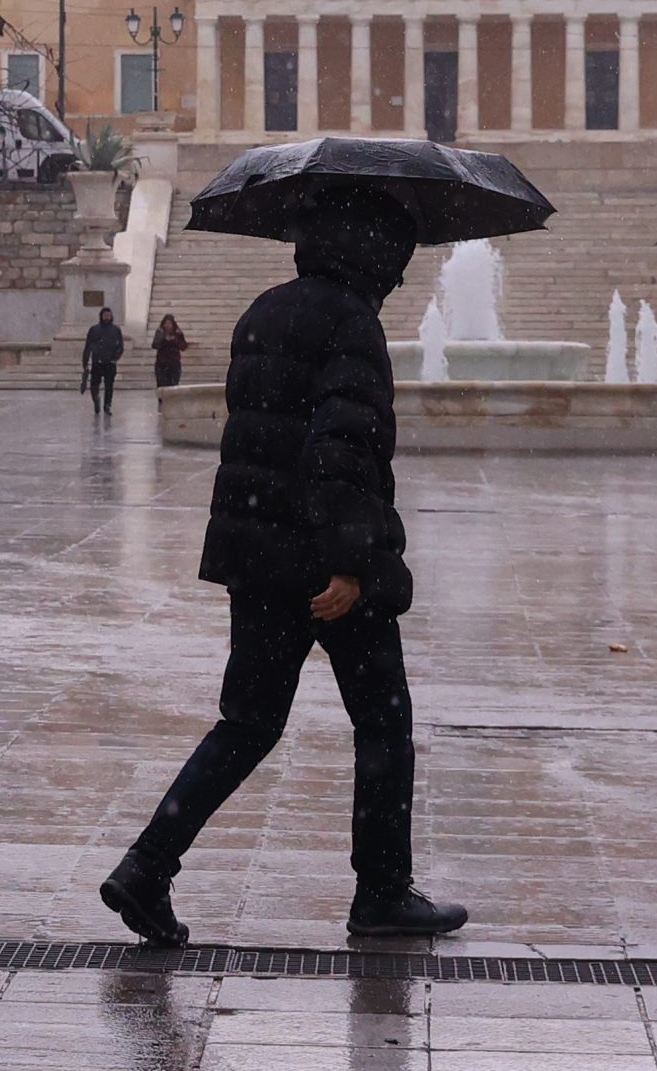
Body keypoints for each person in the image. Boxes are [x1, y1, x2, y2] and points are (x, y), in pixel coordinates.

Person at [99, 184, 467, 946]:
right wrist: (350, 563)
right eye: (394, 255)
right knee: (384, 720)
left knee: (247, 722)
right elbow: (342, 447)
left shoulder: (263, 311)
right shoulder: (352, 323)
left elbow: (263, 440)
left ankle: (147, 864)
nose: (398, 273)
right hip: (327, 566)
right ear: (369, 252)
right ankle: (382, 892)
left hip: (259, 553)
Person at [82, 307, 125, 414]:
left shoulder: (115, 330)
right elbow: (88, 346)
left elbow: (120, 346)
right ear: (101, 316)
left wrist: (115, 358)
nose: (107, 317)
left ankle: (107, 405)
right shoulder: (94, 329)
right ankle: (96, 399)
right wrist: (85, 361)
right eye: (105, 315)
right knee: (94, 384)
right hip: (97, 361)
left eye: (108, 315)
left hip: (110, 362)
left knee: (109, 385)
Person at [152, 314, 189, 389]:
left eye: (169, 323)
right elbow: (155, 345)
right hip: (161, 364)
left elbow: (183, 346)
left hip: (174, 364)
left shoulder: (178, 333)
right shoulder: (160, 332)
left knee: (173, 386)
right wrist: (164, 340)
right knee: (162, 385)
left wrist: (175, 340)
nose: (168, 326)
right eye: (166, 323)